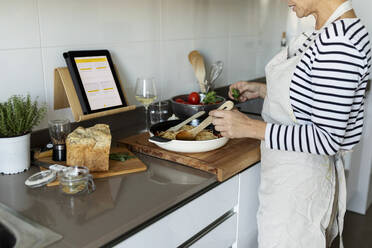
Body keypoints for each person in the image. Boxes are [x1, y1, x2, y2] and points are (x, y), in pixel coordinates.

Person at [209, 0, 371, 247]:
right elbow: (313, 95)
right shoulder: (329, 30)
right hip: (291, 178)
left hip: (301, 185)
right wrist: (264, 91)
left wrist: (249, 128)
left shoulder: (341, 43)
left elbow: (326, 138)